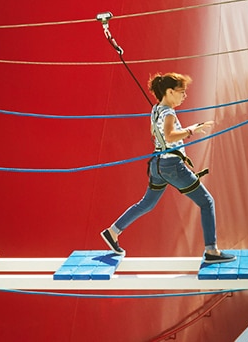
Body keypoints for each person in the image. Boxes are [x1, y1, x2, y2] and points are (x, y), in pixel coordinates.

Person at [101, 73, 235, 264]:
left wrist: (182, 131)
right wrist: (191, 130)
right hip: (173, 166)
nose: (184, 96)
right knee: (207, 202)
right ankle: (212, 251)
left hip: (157, 164)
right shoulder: (169, 113)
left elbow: (154, 133)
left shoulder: (156, 109)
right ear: (169, 92)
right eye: (181, 92)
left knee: (146, 204)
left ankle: (113, 232)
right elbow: (171, 136)